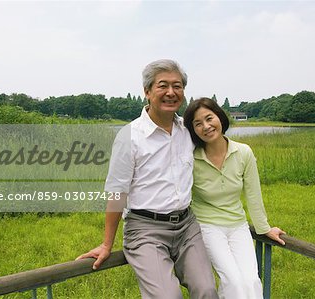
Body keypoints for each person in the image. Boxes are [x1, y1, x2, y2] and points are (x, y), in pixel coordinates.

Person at [76, 60, 218, 299]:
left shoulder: (188, 130)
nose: (171, 92)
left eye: (177, 86)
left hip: (186, 226)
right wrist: (106, 244)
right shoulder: (130, 136)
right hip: (145, 229)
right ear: (147, 91)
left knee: (207, 290)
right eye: (163, 86)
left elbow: (220, 148)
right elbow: (117, 192)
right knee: (167, 296)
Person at [183, 97, 286, 299]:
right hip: (208, 226)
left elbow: (253, 194)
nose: (206, 126)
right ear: (193, 130)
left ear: (220, 117)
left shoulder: (243, 152)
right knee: (233, 281)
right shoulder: (191, 157)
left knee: (251, 281)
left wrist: (264, 228)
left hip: (238, 225)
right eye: (198, 123)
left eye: (209, 118)